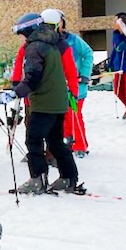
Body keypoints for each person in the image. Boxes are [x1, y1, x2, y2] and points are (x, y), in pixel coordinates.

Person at [11, 11, 83, 194]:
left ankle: (37, 179)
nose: (21, 37)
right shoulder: (52, 43)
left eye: (21, 33)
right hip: (58, 101)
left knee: (33, 140)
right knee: (55, 141)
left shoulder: (34, 47)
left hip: (44, 102)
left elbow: (33, 76)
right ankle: (68, 177)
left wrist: (16, 92)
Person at [49, 10, 93, 156]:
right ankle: (69, 140)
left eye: (59, 21)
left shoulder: (73, 40)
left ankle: (80, 145)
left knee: (75, 115)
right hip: (59, 86)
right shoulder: (48, 42)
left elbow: (88, 53)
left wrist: (85, 74)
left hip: (76, 86)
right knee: (64, 116)